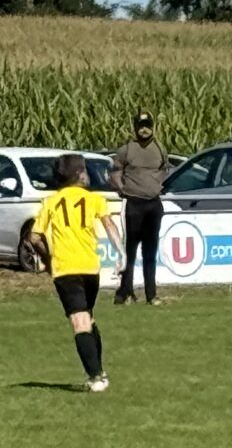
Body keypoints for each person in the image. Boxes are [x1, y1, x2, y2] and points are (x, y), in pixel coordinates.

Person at [28, 154, 116, 391]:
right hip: (90, 268)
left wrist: (48, 258)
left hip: (66, 269)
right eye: (84, 170)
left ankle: (96, 377)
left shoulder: (51, 202)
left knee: (80, 321)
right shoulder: (94, 199)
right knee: (87, 318)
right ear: (78, 174)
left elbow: (34, 237)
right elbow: (109, 224)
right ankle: (100, 371)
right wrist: (122, 254)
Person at [109, 113, 176, 307]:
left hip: (153, 204)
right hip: (133, 204)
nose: (144, 130)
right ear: (135, 128)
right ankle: (125, 293)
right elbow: (114, 172)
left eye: (147, 125)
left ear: (152, 127)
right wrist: (122, 188)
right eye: (141, 126)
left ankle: (151, 295)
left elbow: (165, 170)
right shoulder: (127, 150)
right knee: (130, 250)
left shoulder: (159, 148)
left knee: (150, 251)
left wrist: (158, 186)